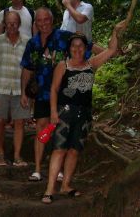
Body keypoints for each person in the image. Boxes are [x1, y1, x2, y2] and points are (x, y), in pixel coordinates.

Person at [41, 20, 127, 204]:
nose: (77, 49)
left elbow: (111, 50)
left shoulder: (91, 64)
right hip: (65, 112)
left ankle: (65, 186)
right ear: (69, 48)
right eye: (74, 46)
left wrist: (115, 31)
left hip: (84, 114)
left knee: (74, 151)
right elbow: (54, 89)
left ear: (85, 49)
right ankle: (49, 190)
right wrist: (53, 113)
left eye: (81, 46)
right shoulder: (63, 66)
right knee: (59, 150)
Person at [20, 7, 100, 182]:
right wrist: (23, 93)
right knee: (41, 127)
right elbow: (27, 68)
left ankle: (60, 170)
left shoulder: (64, 37)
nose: (43, 24)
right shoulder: (32, 43)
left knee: (61, 130)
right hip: (41, 93)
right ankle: (38, 169)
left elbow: (88, 47)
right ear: (35, 23)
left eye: (46, 20)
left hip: (64, 94)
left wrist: (110, 51)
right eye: (39, 21)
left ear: (52, 20)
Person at [0, 11, 30, 167]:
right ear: (4, 24)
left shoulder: (27, 42)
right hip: (0, 87)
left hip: (19, 89)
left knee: (19, 122)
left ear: (19, 24)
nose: (11, 25)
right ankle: (0, 153)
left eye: (14, 23)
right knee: (0, 121)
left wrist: (29, 91)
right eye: (8, 23)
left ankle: (17, 156)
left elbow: (30, 67)